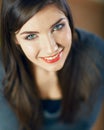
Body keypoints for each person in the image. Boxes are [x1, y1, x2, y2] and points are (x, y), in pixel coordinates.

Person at [0, 0, 104, 130]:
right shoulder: (1, 72)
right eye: (31, 36)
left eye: (58, 27)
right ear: (15, 39)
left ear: (68, 19)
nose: (51, 48)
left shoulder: (98, 56)